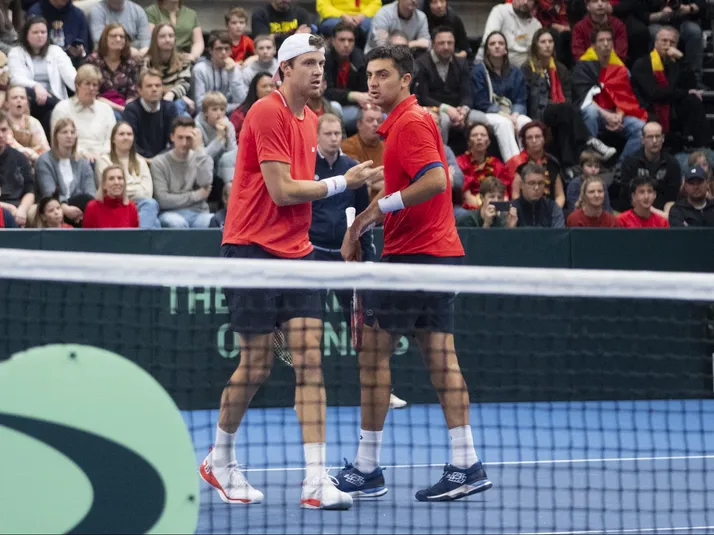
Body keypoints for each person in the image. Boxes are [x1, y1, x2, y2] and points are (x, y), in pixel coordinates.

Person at [203, 33, 381, 509]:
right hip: (251, 251)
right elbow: (281, 191)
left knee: (310, 363)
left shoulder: (312, 120)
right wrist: (343, 182)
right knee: (256, 365)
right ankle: (220, 459)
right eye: (308, 63)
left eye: (321, 63)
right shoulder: (267, 112)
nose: (319, 71)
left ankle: (315, 480)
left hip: (297, 254)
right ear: (284, 70)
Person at [338, 44, 491, 502]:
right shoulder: (405, 123)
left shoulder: (410, 122)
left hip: (415, 259)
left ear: (406, 79)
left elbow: (437, 180)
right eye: (369, 75)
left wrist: (376, 211)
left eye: (383, 74)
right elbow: (401, 190)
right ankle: (466, 464)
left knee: (371, 356)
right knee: (442, 360)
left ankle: (366, 468)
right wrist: (362, 223)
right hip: (436, 257)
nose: (373, 83)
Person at [522, 27, 614, 169]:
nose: (547, 45)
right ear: (536, 46)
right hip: (540, 110)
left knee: (565, 122)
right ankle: (589, 140)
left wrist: (561, 106)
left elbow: (568, 96)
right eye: (543, 42)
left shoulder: (561, 68)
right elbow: (533, 98)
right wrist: (558, 105)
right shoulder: (528, 68)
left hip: (561, 111)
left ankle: (568, 167)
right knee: (566, 110)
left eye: (550, 41)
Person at [572, 27, 648, 164]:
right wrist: (607, 115)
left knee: (641, 127)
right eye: (601, 40)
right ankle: (590, 160)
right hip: (597, 113)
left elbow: (625, 98)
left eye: (609, 40)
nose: (606, 44)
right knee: (590, 111)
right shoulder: (584, 67)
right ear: (593, 45)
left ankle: (622, 166)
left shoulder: (621, 69)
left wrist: (618, 116)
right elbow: (583, 98)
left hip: (615, 114)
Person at [631, 26, 710, 150]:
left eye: (672, 42)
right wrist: (684, 92)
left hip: (671, 107)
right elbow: (654, 92)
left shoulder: (676, 63)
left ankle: (705, 146)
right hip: (649, 107)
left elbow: (691, 85)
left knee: (693, 100)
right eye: (664, 41)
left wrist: (682, 59)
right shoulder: (643, 63)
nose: (668, 45)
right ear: (655, 43)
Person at [413, 26, 484, 145]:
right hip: (433, 110)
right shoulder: (421, 63)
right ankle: (441, 154)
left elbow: (467, 95)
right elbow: (423, 97)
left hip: (458, 110)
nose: (446, 47)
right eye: (441, 43)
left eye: (450, 43)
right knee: (444, 120)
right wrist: (447, 109)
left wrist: (463, 111)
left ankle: (476, 156)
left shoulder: (461, 63)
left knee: (480, 118)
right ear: (433, 44)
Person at [8, 16, 77, 135]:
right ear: (26, 35)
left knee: (50, 116)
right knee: (29, 91)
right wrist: (36, 86)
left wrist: (82, 91)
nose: (40, 35)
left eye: (43, 32)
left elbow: (71, 76)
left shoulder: (56, 51)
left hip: (52, 100)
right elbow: (16, 78)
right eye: (35, 32)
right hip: (29, 100)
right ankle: (60, 106)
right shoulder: (16, 52)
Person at [472, 31, 532, 162]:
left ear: (505, 49)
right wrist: (507, 116)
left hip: (512, 113)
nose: (497, 46)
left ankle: (530, 162)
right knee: (504, 124)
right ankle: (515, 165)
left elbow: (520, 99)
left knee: (526, 122)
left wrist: (515, 116)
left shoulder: (515, 72)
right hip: (488, 113)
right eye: (492, 44)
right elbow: (481, 102)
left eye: (500, 43)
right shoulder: (479, 71)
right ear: (487, 50)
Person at [95, 120, 160, 228]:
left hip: (140, 206)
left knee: (152, 211)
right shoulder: (104, 161)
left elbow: (147, 193)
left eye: (129, 134)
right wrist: (137, 188)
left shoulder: (140, 161)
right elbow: (108, 190)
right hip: (115, 206)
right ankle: (138, 237)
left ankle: (135, 237)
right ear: (113, 139)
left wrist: (126, 189)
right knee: (154, 218)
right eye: (121, 134)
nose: (126, 137)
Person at [152, 116, 214, 228]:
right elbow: (163, 200)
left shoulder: (203, 158)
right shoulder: (159, 162)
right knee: (176, 223)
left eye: (188, 138)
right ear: (172, 137)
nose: (184, 143)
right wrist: (196, 195)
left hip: (198, 212)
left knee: (212, 221)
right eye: (180, 137)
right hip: (171, 213)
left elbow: (205, 184)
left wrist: (199, 148)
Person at [51, 63, 116, 163]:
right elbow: (57, 140)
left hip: (102, 158)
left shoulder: (106, 110)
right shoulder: (62, 108)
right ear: (77, 85)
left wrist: (101, 155)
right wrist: (82, 153)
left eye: (95, 85)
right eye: (87, 84)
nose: (91, 88)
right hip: (73, 157)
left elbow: (111, 140)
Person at [36, 117, 96, 226]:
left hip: (80, 208)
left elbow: (90, 191)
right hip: (55, 207)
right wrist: (64, 208)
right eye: (64, 132)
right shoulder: (44, 161)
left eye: (72, 132)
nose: (69, 136)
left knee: (87, 201)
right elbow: (49, 192)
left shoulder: (83, 162)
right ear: (56, 136)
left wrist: (78, 210)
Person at [617, 121, 681, 213]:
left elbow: (672, 197)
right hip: (634, 211)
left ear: (663, 138)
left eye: (657, 136)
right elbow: (627, 194)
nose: (654, 141)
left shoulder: (672, 164)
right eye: (650, 137)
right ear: (642, 140)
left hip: (662, 212)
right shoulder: (630, 162)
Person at [645, 0, 704, 87]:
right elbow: (641, 12)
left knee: (694, 32)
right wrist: (659, 14)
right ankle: (656, 78)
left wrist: (689, 8)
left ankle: (695, 79)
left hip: (682, 20)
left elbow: (701, 4)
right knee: (656, 34)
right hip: (657, 21)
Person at [85, 23, 139, 118]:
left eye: (121, 36)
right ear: (105, 39)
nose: (118, 39)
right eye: (113, 36)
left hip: (125, 107)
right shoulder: (93, 61)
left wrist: (128, 107)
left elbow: (133, 93)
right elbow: (91, 92)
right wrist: (119, 108)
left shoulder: (130, 62)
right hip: (98, 106)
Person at [508, 121, 566, 207]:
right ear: (525, 141)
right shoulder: (517, 163)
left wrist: (554, 211)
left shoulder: (552, 162)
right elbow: (515, 195)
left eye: (538, 136)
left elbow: (560, 196)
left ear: (544, 139)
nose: (534, 140)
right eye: (529, 138)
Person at [324, 22, 368, 133]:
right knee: (336, 107)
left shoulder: (360, 60)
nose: (346, 44)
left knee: (379, 116)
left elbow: (364, 92)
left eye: (350, 40)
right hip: (328, 107)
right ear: (333, 41)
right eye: (342, 40)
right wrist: (352, 95)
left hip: (354, 107)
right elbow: (326, 92)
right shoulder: (324, 60)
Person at [123, 68, 176, 160]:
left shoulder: (169, 108)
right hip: (139, 160)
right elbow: (130, 143)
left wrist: (159, 160)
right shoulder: (131, 110)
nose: (154, 89)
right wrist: (147, 160)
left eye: (157, 85)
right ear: (139, 90)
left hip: (163, 161)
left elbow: (174, 141)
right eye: (149, 86)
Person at [143, 22, 193, 117]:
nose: (167, 40)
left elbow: (184, 84)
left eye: (171, 36)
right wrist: (172, 92)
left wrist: (171, 94)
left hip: (175, 99)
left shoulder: (183, 61)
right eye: (162, 36)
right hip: (152, 100)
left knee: (180, 108)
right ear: (155, 40)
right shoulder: (146, 62)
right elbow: (147, 85)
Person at [193, 31, 247, 115]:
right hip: (205, 116)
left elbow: (242, 102)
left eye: (227, 49)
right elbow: (200, 105)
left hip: (230, 115)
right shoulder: (200, 70)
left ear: (231, 50)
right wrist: (228, 108)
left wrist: (232, 73)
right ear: (210, 50)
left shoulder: (235, 70)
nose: (223, 52)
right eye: (219, 49)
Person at [456, 122, 507, 210]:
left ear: (489, 142)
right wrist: (486, 210)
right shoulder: (461, 162)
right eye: (474, 135)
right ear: (469, 142)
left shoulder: (497, 164)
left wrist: (500, 208)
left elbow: (504, 195)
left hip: (495, 206)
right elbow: (467, 197)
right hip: (470, 208)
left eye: (483, 135)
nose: (479, 138)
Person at [476, 0, 542, 68]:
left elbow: (537, 55)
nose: (525, 2)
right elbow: (490, 42)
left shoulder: (536, 25)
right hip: (491, 66)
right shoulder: (500, 11)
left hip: (523, 70)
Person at [28, 0, 92, 65]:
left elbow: (87, 48)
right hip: (43, 63)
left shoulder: (78, 15)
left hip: (74, 64)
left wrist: (81, 52)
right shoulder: (35, 13)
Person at [341, 106, 385, 198]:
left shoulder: (387, 147)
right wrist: (383, 176)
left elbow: (396, 177)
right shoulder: (348, 145)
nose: (375, 124)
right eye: (370, 120)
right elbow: (356, 176)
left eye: (379, 121)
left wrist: (369, 183)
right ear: (359, 124)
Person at [0, 110, 34, 226]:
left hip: (18, 207)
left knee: (35, 210)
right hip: (4, 208)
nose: (0, 135)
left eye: (3, 130)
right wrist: (7, 208)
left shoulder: (20, 157)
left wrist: (22, 209)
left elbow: (30, 190)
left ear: (9, 131)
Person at [196, 91, 237, 184]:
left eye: (222, 109)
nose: (219, 113)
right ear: (205, 112)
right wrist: (219, 139)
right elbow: (202, 158)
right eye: (214, 109)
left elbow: (232, 155)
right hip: (203, 172)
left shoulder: (229, 125)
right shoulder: (197, 127)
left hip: (222, 171)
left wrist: (226, 135)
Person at [365, 0, 430, 54]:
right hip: (377, 56)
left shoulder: (421, 17)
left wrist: (409, 44)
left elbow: (426, 43)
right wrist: (411, 44)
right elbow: (381, 44)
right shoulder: (383, 13)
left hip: (404, 57)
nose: (414, 0)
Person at [511, 162, 565, 227]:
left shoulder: (552, 208)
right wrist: (511, 227)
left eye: (540, 183)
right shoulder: (512, 209)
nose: (536, 188)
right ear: (522, 185)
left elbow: (559, 232)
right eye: (531, 183)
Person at [5, 85, 50, 163]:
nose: (19, 100)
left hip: (35, 162)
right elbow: (10, 144)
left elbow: (43, 146)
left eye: (22, 98)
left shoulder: (33, 121)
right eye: (15, 97)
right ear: (7, 103)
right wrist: (31, 154)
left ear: (26, 102)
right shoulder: (3, 121)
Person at [229, 72, 276, 140]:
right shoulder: (240, 115)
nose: (269, 89)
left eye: (272, 86)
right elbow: (233, 139)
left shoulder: (282, 111)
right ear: (255, 90)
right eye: (264, 86)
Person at [534, 0, 572, 66]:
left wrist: (568, 27)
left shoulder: (564, 4)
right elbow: (543, 21)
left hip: (566, 31)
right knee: (555, 35)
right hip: (548, 31)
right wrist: (555, 26)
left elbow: (568, 19)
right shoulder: (541, 5)